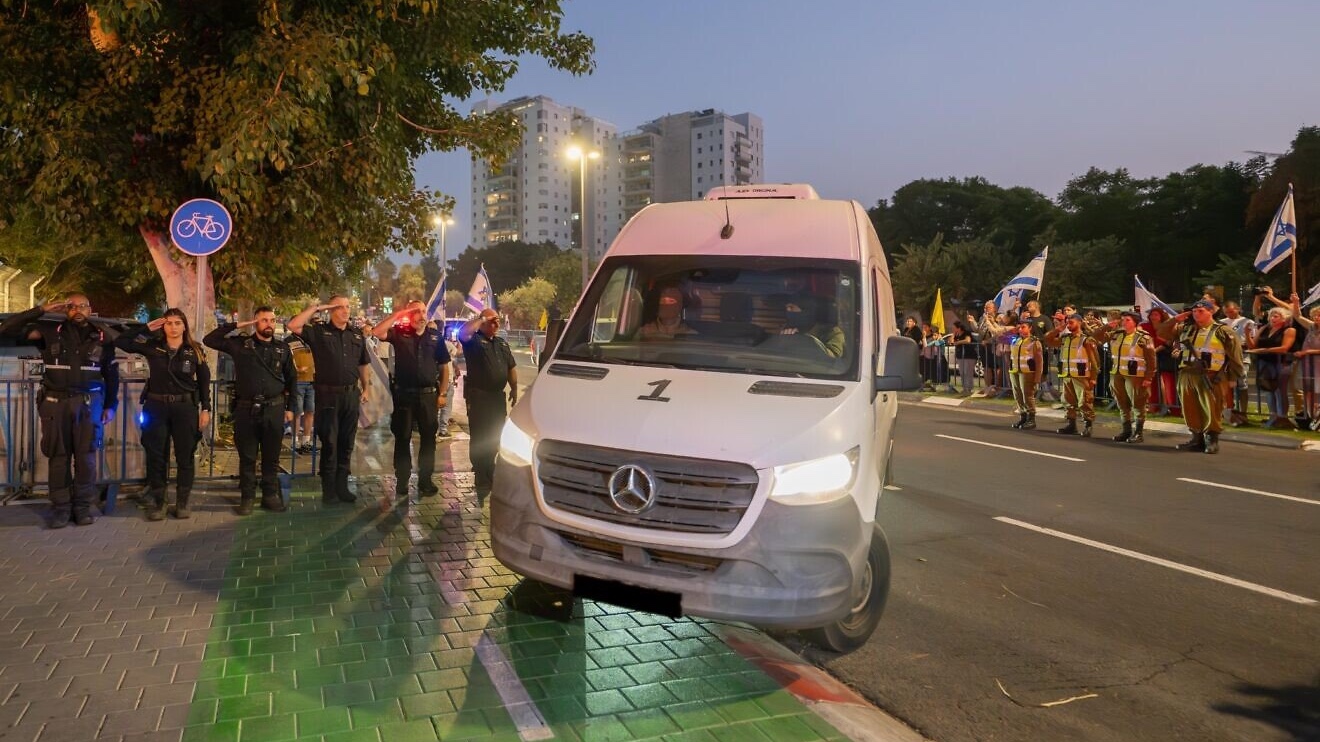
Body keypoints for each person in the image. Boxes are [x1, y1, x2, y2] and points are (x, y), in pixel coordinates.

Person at [0, 294, 119, 528]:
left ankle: (82, 508)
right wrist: (40, 309)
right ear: (65, 310)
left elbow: (112, 376)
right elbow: (6, 329)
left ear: (89, 309)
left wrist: (110, 406)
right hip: (55, 404)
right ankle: (61, 509)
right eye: (71, 307)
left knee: (86, 459)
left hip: (88, 405)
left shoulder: (103, 336)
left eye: (82, 306)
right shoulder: (48, 331)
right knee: (58, 458)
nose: (77, 310)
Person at [114, 309, 212, 520]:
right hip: (156, 407)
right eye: (169, 323)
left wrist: (206, 409)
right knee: (156, 455)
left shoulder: (195, 350)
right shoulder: (153, 346)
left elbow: (204, 382)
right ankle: (160, 502)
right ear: (163, 326)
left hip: (185, 409)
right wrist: (146, 328)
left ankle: (182, 502)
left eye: (178, 323)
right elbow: (122, 341)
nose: (173, 327)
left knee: (185, 456)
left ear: (184, 326)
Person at [204, 308, 296, 514]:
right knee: (247, 456)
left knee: (271, 457)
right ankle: (247, 497)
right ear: (256, 322)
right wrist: (237, 324)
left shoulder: (282, 348)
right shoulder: (241, 345)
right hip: (246, 409)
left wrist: (291, 408)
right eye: (264, 320)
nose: (269, 324)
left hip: (274, 408)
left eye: (272, 320)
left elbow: (292, 378)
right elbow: (209, 339)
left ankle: (270, 495)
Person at [287, 296, 372, 504]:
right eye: (340, 307)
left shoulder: (357, 335)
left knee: (347, 443)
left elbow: (363, 364)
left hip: (351, 395)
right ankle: (329, 489)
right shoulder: (319, 332)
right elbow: (293, 325)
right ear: (331, 310)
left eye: (347, 306)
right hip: (328, 396)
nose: (345, 310)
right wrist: (317, 308)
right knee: (330, 443)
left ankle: (342, 486)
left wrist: (367, 387)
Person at [369, 300, 450, 498]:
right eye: (416, 312)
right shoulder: (399, 333)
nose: (421, 315)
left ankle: (425, 480)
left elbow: (444, 367)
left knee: (429, 440)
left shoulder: (435, 337)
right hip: (404, 395)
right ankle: (402, 480)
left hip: (428, 396)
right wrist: (399, 313)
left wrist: (442, 393)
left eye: (423, 312)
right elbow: (377, 332)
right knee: (403, 438)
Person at [1156, 300, 1244, 453]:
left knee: (1212, 408)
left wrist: (1233, 378)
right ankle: (1197, 438)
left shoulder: (1223, 331)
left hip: (1211, 375)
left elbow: (1235, 356)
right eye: (1194, 311)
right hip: (1187, 373)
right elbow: (1162, 332)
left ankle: (1212, 439)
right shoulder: (1185, 328)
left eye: (1201, 311)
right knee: (1190, 408)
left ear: (1211, 311)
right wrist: (1177, 318)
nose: (1196, 314)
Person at [459, 308, 518, 493]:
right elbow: (463, 332)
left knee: (495, 434)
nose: (496, 323)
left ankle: (489, 467)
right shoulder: (474, 341)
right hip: (479, 397)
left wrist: (514, 388)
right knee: (479, 435)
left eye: (497, 321)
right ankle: (480, 472)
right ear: (483, 322)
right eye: (492, 321)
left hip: (496, 398)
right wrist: (482, 317)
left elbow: (511, 367)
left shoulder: (501, 343)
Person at [1093, 311, 1157, 443]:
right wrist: (1107, 326)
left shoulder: (1143, 337)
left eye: (1127, 320)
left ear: (1135, 322)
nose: (1123, 322)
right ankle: (1126, 430)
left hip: (1135, 376)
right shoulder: (1116, 335)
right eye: (1122, 319)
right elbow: (1096, 338)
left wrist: (1148, 377)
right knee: (1122, 404)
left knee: (1138, 404)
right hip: (1117, 374)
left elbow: (1151, 360)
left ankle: (1138, 433)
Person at [1044, 313, 1099, 436]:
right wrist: (1058, 329)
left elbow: (1095, 361)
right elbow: (1047, 339)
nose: (1068, 324)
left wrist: (1093, 378)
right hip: (1067, 374)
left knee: (1084, 401)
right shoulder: (1065, 338)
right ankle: (1071, 425)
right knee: (1068, 402)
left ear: (1079, 323)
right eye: (1067, 322)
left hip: (1082, 376)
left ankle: (1088, 425)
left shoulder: (1086, 339)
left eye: (1071, 322)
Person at [1246, 305, 1298, 430]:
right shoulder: (1264, 328)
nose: (1273, 318)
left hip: (1280, 363)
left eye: (1276, 316)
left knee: (1280, 391)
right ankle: (1273, 416)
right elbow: (1253, 346)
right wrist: (1247, 334)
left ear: (1284, 318)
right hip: (1264, 363)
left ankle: (1282, 417)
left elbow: (1284, 348)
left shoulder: (1289, 330)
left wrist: (1264, 350)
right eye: (1271, 316)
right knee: (1268, 390)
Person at [1218, 300, 1256, 426]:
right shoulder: (1221, 323)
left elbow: (1252, 340)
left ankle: (1243, 412)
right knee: (1227, 386)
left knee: (1242, 384)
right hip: (1225, 359)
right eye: (1226, 312)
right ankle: (1230, 412)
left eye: (1231, 311)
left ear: (1238, 309)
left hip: (1242, 357)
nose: (1229, 314)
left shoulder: (1248, 322)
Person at [1141, 307, 1178, 417]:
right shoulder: (1145, 326)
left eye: (1156, 314)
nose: (1154, 317)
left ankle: (1174, 408)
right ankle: (1154, 405)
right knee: (1152, 382)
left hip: (1166, 357)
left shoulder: (1166, 326)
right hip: (1151, 358)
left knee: (1168, 383)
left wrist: (1155, 350)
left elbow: (1169, 341)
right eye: (1152, 314)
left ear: (1162, 316)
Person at [779, 295, 844, 358]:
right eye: (786, 308)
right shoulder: (788, 329)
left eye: (791, 307)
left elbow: (834, 358)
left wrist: (806, 342)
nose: (788, 311)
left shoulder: (833, 332)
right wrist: (782, 342)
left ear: (807, 311)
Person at [1007, 318, 1043, 430]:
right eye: (1019, 327)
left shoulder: (1034, 342)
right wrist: (1013, 330)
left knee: (1027, 395)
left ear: (1030, 328)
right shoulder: (1015, 340)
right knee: (1017, 395)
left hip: (1027, 372)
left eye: (1023, 327)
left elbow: (1039, 361)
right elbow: (1001, 337)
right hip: (1015, 371)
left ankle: (1031, 419)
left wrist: (1037, 378)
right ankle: (1023, 416)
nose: (1021, 329)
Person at [286, 333, 316, 453]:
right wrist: (296, 370)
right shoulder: (289, 341)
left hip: (312, 381)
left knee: (310, 411)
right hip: (297, 381)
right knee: (297, 412)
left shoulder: (310, 339)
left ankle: (306, 440)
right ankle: (295, 440)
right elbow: (286, 361)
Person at [438, 334, 460, 437]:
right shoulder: (447, 344)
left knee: (435, 407)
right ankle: (442, 429)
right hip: (447, 380)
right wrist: (460, 341)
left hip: (433, 380)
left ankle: (433, 429)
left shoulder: (428, 343)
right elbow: (457, 353)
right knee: (446, 406)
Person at [949, 321, 977, 395]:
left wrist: (958, 342)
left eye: (954, 327)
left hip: (969, 355)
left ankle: (969, 389)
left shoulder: (966, 333)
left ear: (959, 328)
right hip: (960, 356)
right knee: (962, 372)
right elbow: (951, 342)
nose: (953, 328)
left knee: (968, 372)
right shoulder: (956, 335)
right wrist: (953, 335)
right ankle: (964, 388)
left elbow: (968, 340)